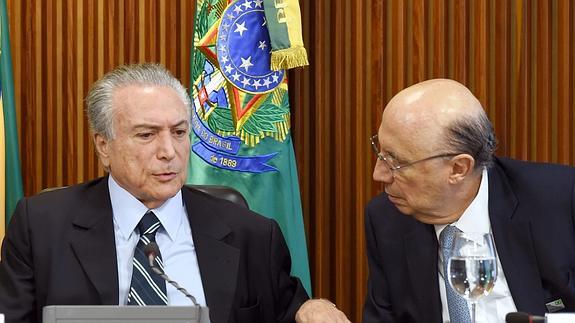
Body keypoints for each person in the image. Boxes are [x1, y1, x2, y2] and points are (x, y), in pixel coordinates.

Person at [0, 63, 349, 323]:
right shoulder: (41, 227)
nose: (169, 151)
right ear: (103, 146)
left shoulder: (251, 234)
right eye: (147, 135)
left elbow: (293, 311)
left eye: (179, 132)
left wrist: (314, 306)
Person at [363, 79, 575, 323]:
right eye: (380, 153)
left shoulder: (560, 199)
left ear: (458, 168)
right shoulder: (386, 220)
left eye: (395, 162)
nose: (378, 175)